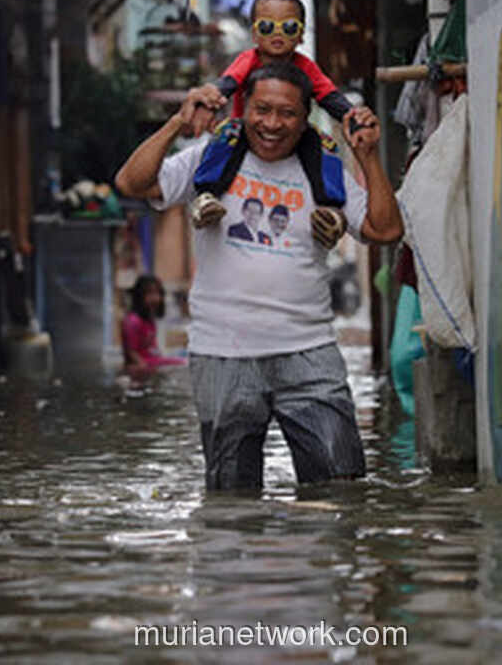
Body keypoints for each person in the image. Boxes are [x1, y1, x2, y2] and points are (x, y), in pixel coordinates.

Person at [114, 61, 404, 490]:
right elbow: (131, 183)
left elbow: (386, 230)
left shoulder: (323, 166)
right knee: (232, 496)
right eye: (262, 110)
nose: (271, 124)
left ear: (305, 119)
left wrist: (368, 157)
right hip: (222, 354)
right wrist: (178, 123)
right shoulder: (213, 156)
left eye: (287, 113)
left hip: (309, 352)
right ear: (244, 108)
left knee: (341, 487)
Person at [187, 0, 355, 134]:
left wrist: (355, 120)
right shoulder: (248, 60)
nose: (278, 33)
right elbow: (225, 86)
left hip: (291, 134)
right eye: (266, 27)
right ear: (254, 34)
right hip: (245, 131)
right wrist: (207, 104)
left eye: (289, 27)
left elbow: (330, 97)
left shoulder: (305, 66)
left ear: (301, 36)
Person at [121, 274, 187, 375]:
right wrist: (143, 365)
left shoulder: (149, 320)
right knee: (183, 364)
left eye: (158, 293)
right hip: (144, 364)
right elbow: (131, 351)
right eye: (150, 293)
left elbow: (153, 348)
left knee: (183, 362)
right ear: (139, 296)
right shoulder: (134, 321)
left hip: (153, 362)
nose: (156, 298)